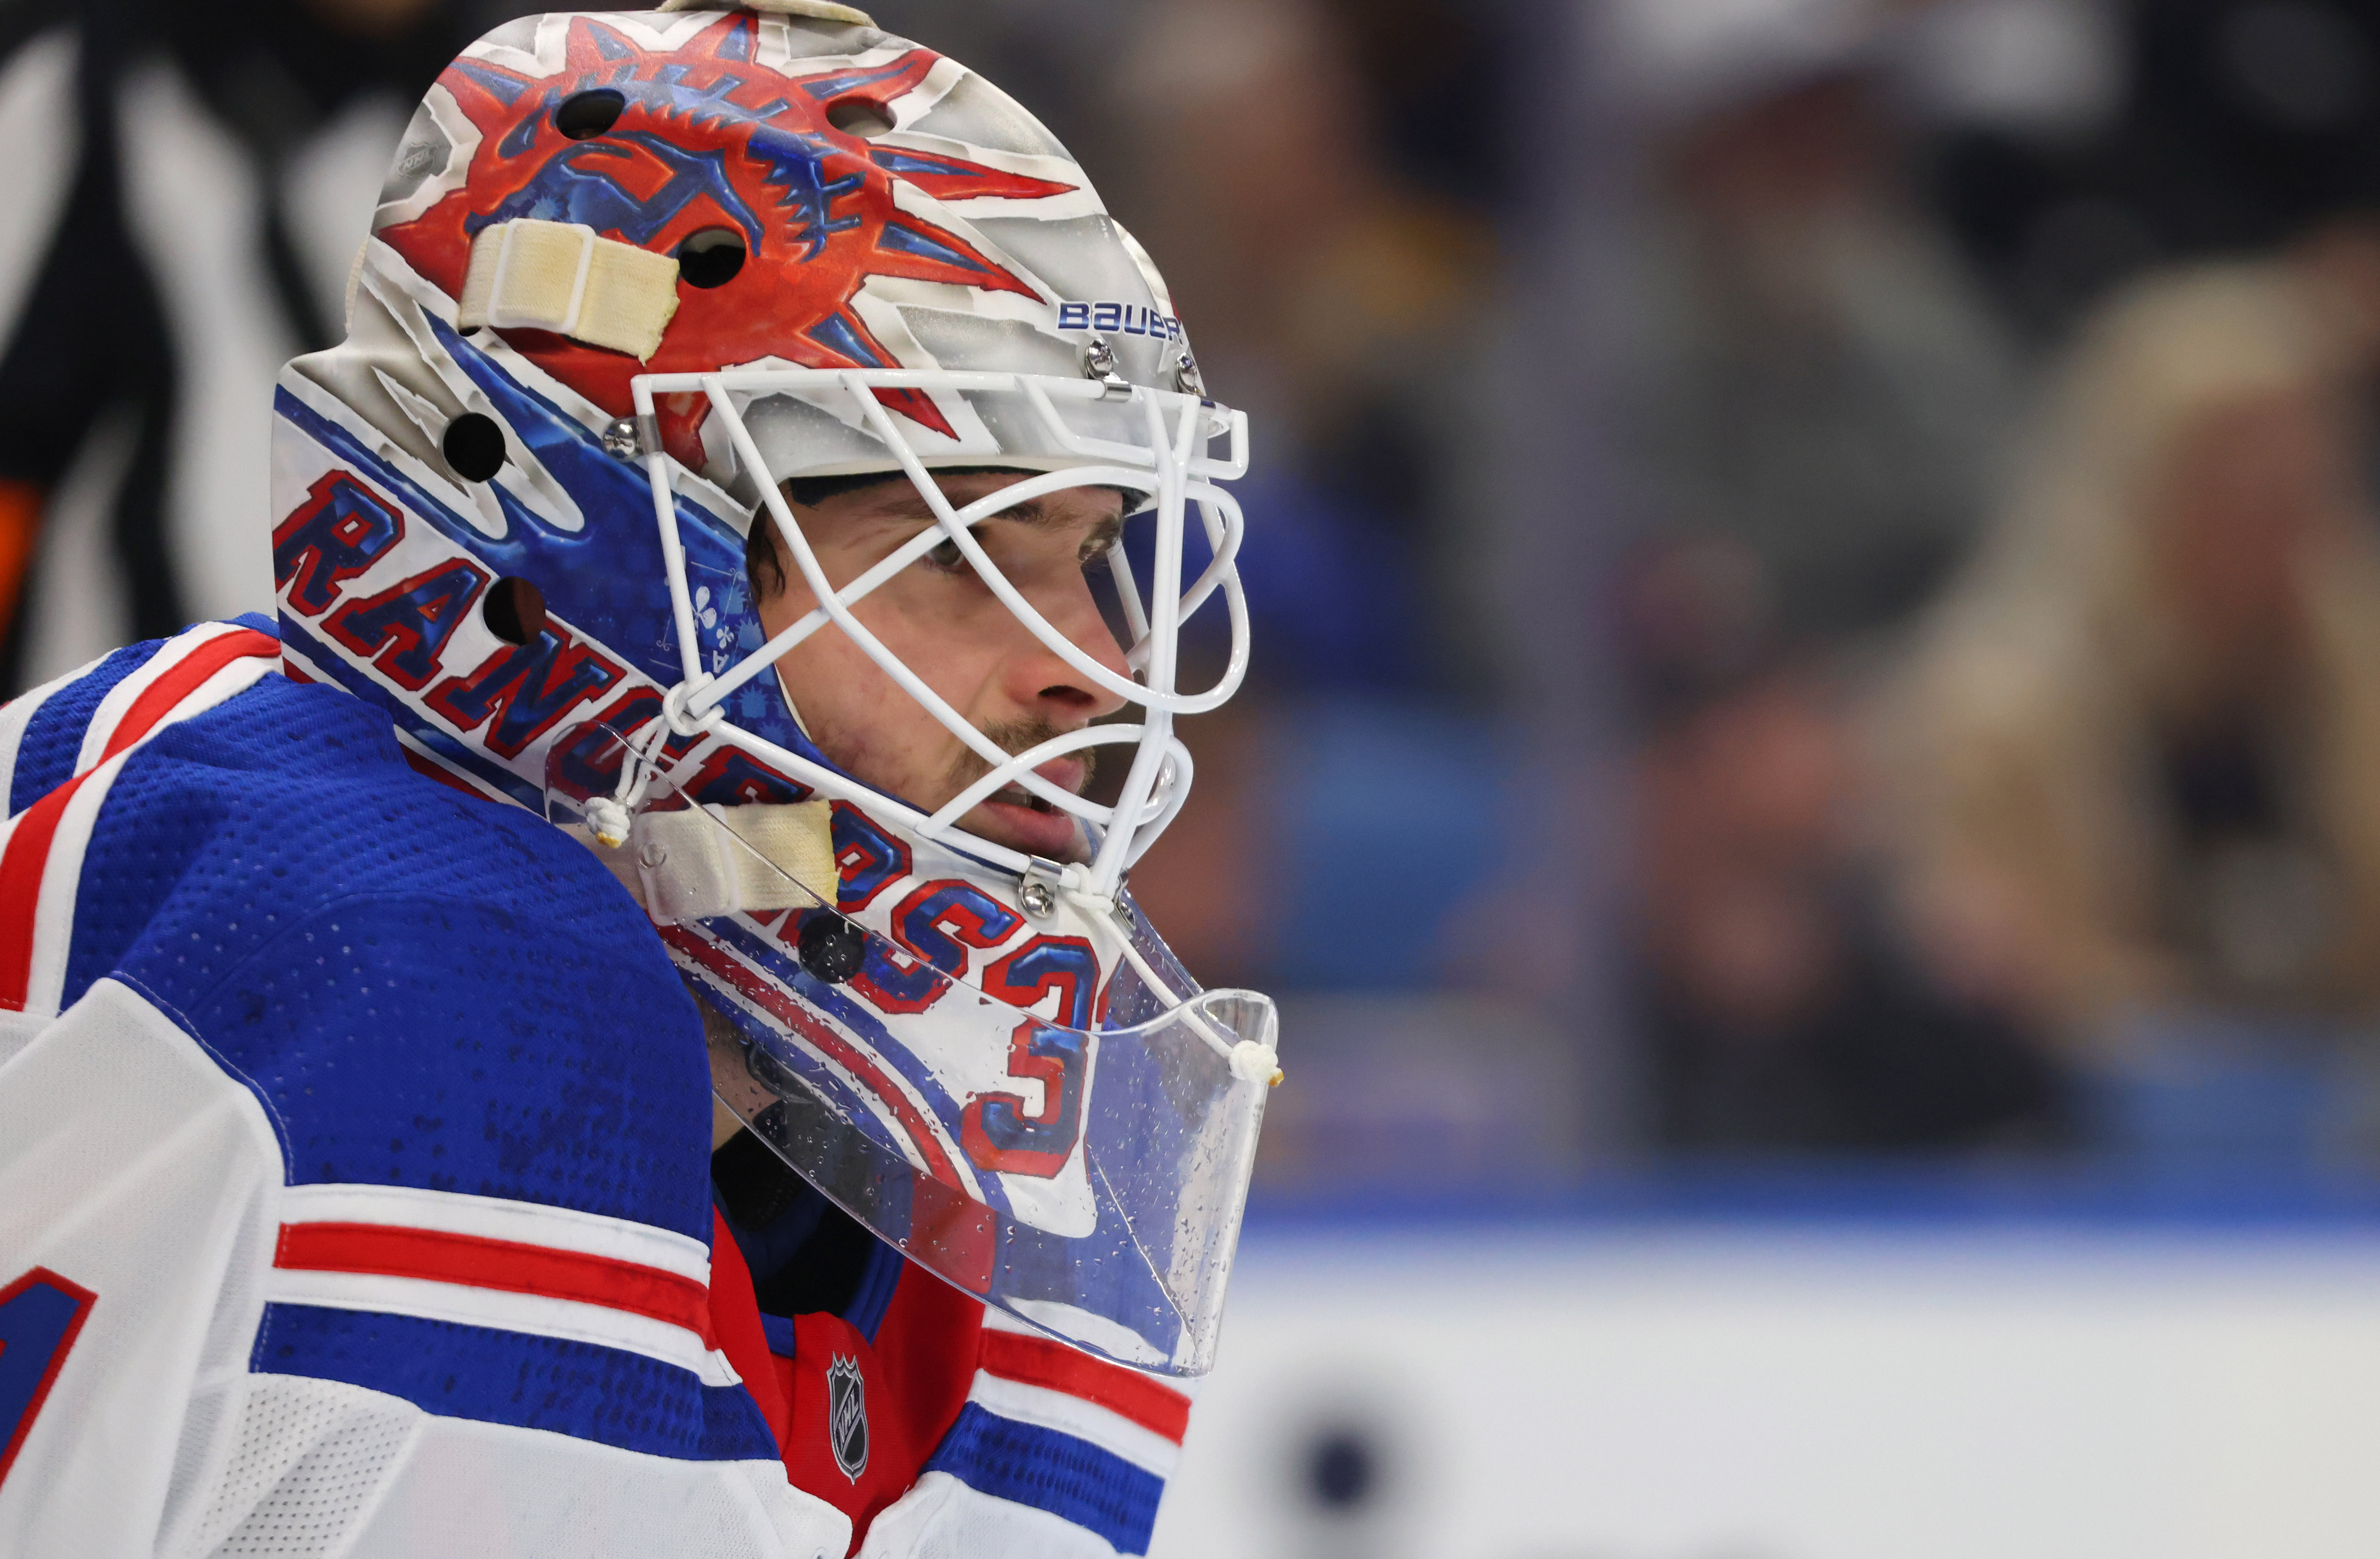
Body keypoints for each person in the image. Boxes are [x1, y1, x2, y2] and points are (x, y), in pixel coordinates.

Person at [0, 3, 1276, 1556]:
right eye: (956, 548)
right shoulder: (318, 945)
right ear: (600, 556)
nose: (1094, 661)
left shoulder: (1041, 1199)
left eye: (1086, 552)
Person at [1884, 261, 2380, 1047]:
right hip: (2081, 1130)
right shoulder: (2002, 710)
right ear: (2140, 487)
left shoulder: (2357, 671)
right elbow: (2016, 975)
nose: (2281, 527)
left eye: (2302, 488)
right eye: (2238, 487)